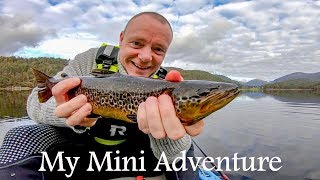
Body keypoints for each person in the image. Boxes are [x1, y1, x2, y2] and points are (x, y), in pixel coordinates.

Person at [0, 12, 204, 179]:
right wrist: (64, 112)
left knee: (185, 154)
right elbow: (35, 101)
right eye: (137, 43)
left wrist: (169, 134)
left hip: (142, 156)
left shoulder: (168, 83)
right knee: (19, 136)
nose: (145, 57)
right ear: (122, 38)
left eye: (158, 49)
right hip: (85, 153)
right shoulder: (91, 60)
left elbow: (175, 156)